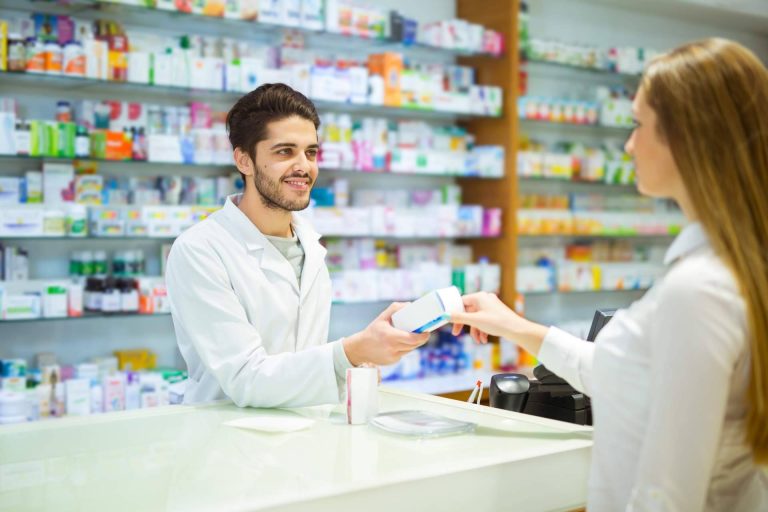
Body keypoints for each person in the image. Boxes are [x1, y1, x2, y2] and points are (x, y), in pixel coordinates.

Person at [451, 38, 768, 511]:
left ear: (687, 137)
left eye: (640, 124)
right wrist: (513, 326)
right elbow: (627, 376)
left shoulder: (698, 291)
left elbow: (668, 497)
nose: (628, 144)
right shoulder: (726, 269)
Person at [166, 83, 429, 408]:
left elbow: (300, 360)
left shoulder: (310, 246)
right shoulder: (200, 250)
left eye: (311, 152)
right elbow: (247, 379)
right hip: (229, 442)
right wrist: (351, 351)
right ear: (244, 160)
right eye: (284, 152)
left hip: (303, 437)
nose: (303, 166)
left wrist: (359, 363)